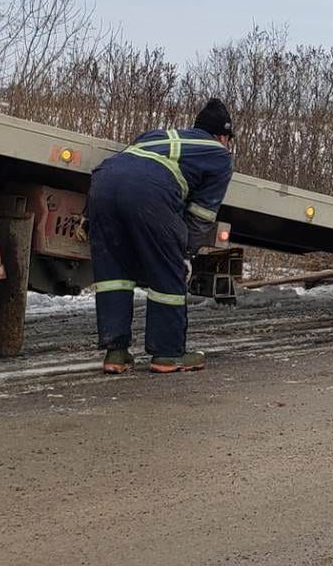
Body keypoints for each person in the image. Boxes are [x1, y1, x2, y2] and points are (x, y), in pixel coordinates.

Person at [88, 99, 235, 373]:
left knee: (114, 273)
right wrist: (185, 254)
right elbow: (201, 216)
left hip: (103, 183)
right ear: (223, 136)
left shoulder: (157, 135)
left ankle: (115, 353)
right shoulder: (220, 156)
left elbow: (130, 166)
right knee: (168, 272)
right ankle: (167, 355)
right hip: (149, 193)